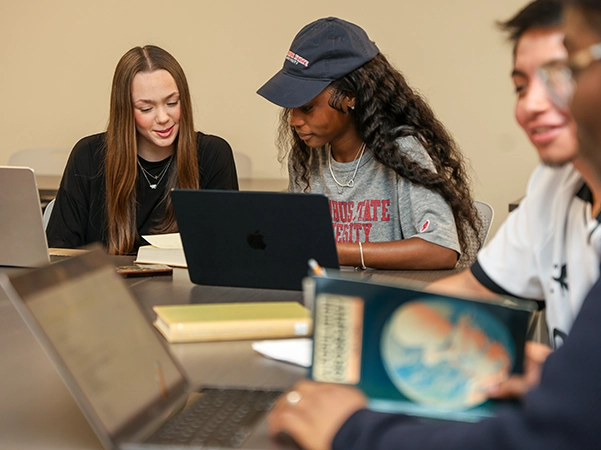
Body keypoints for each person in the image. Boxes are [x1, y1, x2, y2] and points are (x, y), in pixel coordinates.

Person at [267, 1, 601, 448]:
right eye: (521, 87)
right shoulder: (552, 186)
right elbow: (474, 288)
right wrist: (362, 332)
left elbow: (440, 250)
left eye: (564, 73)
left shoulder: (402, 148)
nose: (532, 106)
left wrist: (350, 430)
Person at [257, 18, 481, 270]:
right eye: (291, 108)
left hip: (385, 301)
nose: (294, 120)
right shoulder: (307, 157)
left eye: (307, 107)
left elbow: (441, 251)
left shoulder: (402, 150)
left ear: (350, 96)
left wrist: (338, 252)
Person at [46, 45, 238, 255]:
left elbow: (227, 250)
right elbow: (58, 252)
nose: (163, 118)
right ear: (125, 109)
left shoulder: (213, 154)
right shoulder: (88, 156)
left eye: (172, 102)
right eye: (146, 108)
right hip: (109, 286)